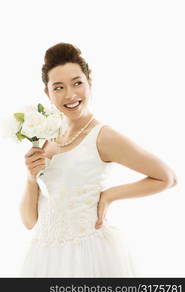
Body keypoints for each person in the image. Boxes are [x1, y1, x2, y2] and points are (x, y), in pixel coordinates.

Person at [19, 42, 177, 277]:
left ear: (89, 82)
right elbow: (30, 222)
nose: (70, 95)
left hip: (87, 256)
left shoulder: (102, 136)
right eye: (59, 87)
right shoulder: (46, 137)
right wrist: (31, 179)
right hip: (46, 259)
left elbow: (167, 177)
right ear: (47, 92)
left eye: (77, 83)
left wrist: (109, 196)